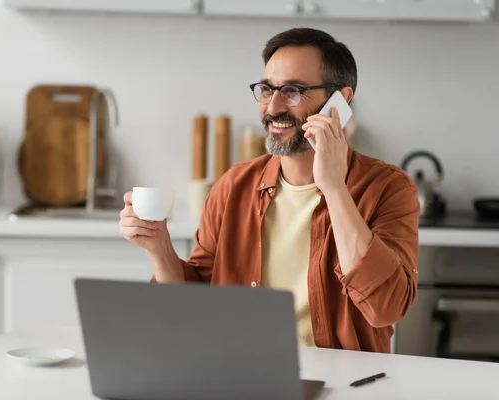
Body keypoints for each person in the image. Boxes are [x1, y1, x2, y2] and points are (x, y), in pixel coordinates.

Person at [119, 27, 420, 353]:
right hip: (243, 375)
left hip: (345, 383)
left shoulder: (389, 189)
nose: (273, 106)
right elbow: (195, 306)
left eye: (292, 91)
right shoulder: (234, 186)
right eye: (266, 89)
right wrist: (158, 246)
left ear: (340, 102)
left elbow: (386, 308)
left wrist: (334, 188)